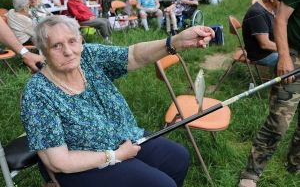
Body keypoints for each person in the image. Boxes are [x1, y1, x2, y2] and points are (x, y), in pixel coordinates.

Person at [21, 15, 214, 187]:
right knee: (161, 184)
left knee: (178, 159)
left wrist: (178, 41)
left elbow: (134, 55)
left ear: (80, 41)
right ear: (43, 52)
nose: (69, 52)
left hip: (124, 136)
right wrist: (115, 156)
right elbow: (58, 162)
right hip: (83, 164)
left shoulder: (88, 56)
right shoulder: (38, 93)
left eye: (72, 41)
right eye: (56, 46)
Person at [238, 0, 300, 186]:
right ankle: (250, 174)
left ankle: (295, 165)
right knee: (279, 122)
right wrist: (284, 56)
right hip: (294, 56)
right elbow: (280, 19)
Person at [242, 0, 280, 67]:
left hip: (272, 50)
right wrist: (286, 50)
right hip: (263, 55)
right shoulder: (257, 13)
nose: (285, 3)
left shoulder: (272, 9)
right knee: (295, 62)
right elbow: (265, 44)